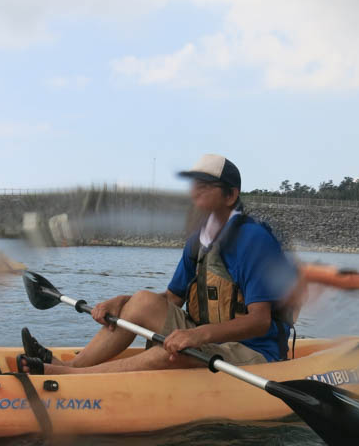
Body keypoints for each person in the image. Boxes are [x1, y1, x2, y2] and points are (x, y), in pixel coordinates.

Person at [18, 154, 300, 375]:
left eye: (205, 187)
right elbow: (172, 299)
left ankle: (69, 378)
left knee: (171, 352)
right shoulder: (199, 241)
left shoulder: (253, 240)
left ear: (230, 195)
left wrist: (196, 335)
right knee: (142, 300)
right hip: (209, 338)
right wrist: (123, 302)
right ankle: (71, 367)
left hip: (253, 353)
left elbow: (260, 321)